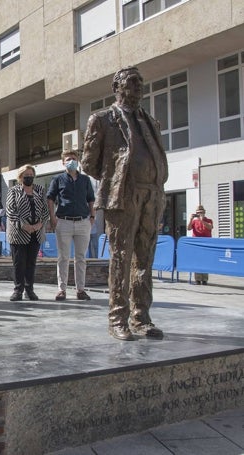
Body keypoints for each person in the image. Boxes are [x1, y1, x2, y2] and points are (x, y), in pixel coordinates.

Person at [82, 66, 169, 341]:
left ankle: (141, 318)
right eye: (131, 83)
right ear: (116, 88)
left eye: (140, 83)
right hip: (122, 196)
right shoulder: (102, 119)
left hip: (152, 195)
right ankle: (117, 318)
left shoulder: (149, 121)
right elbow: (88, 163)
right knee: (121, 257)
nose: (137, 88)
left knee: (145, 258)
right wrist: (118, 179)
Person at [47, 149, 95, 302]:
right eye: (68, 159)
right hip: (64, 221)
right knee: (63, 257)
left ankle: (80, 290)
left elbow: (91, 199)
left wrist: (92, 216)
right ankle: (62, 290)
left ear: (78, 160)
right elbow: (50, 199)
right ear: (63, 162)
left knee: (81, 258)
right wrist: (52, 217)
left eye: (74, 158)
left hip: (83, 221)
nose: (71, 161)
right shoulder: (57, 179)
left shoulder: (85, 180)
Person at [6, 165, 50, 301]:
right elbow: (10, 211)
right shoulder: (13, 191)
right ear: (20, 177)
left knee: (31, 263)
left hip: (36, 233)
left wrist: (39, 225)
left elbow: (45, 210)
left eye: (31, 174)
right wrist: (24, 226)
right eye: (26, 175)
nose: (29, 177)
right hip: (19, 233)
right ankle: (18, 290)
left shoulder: (40, 190)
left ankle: (29, 289)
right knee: (19, 263)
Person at [186, 204, 213, 285]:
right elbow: (188, 228)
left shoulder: (208, 220)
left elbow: (210, 227)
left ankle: (204, 279)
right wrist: (191, 219)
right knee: (197, 260)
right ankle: (197, 279)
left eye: (201, 212)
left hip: (206, 243)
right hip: (196, 243)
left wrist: (202, 220)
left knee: (205, 261)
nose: (200, 214)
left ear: (204, 212)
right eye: (198, 212)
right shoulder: (194, 221)